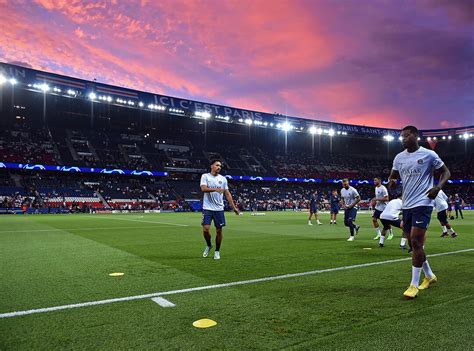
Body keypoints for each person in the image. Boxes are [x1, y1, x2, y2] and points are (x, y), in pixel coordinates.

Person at [389, 126, 451, 299]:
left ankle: (413, 285)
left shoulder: (429, 154)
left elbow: (446, 172)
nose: (403, 139)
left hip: (423, 202)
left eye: (406, 135)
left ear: (415, 136)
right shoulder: (399, 157)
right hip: (406, 204)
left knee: (416, 242)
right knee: (413, 244)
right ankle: (430, 275)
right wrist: (392, 182)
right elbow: (392, 176)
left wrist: (438, 187)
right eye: (401, 136)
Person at [200, 159, 240, 260]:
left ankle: (217, 251)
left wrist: (234, 207)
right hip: (207, 208)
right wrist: (216, 189)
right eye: (217, 165)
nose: (219, 167)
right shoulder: (205, 176)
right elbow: (203, 189)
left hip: (219, 209)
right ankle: (209, 245)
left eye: (220, 166)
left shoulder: (223, 179)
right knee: (206, 229)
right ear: (211, 166)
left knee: (219, 231)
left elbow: (227, 194)